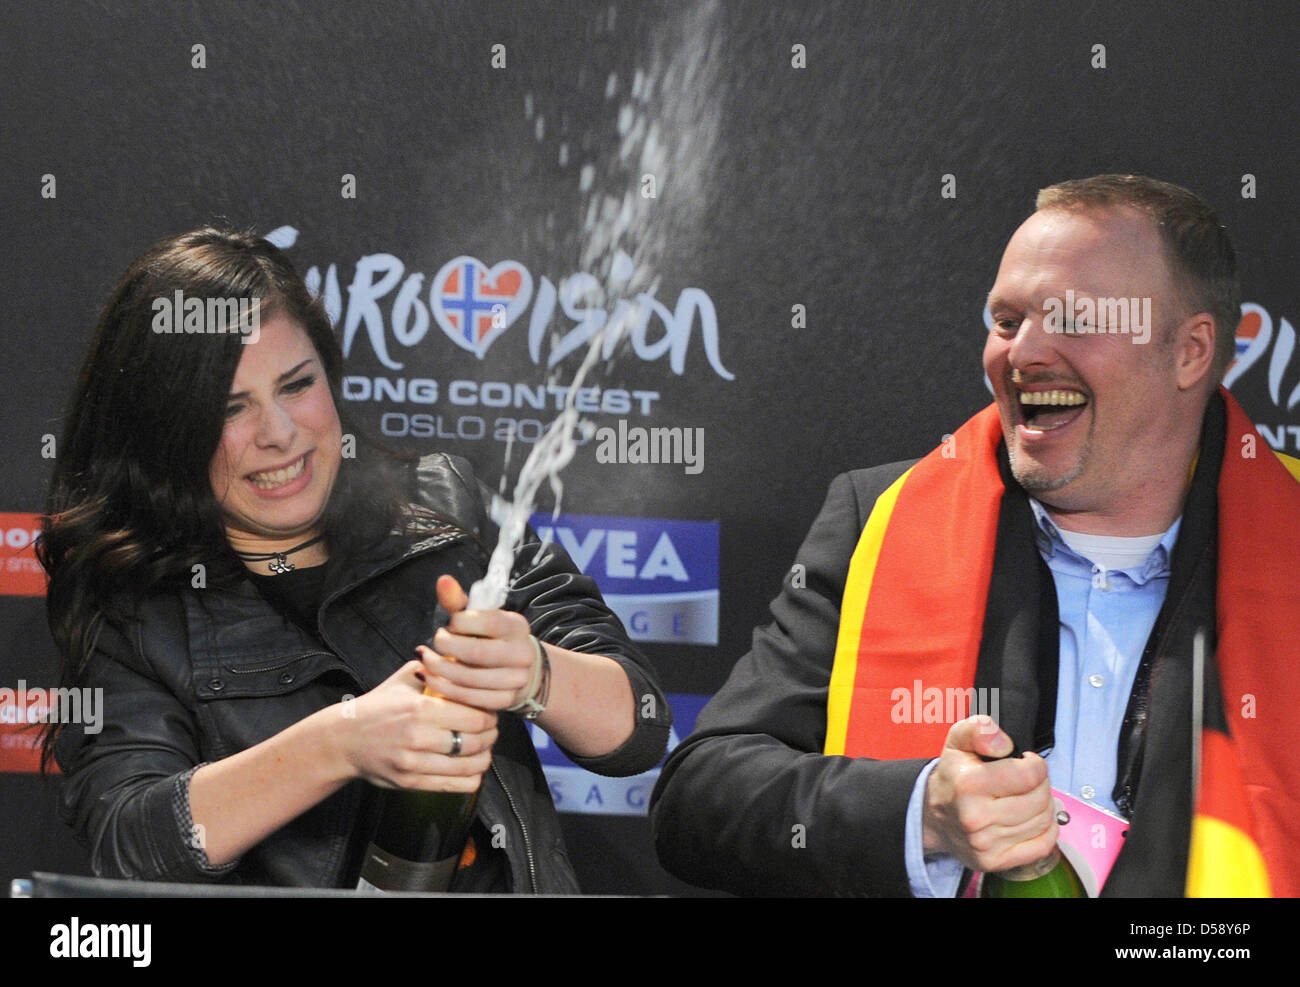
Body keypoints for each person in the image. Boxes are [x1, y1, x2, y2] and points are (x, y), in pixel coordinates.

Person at [650, 174, 1300, 897]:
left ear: (1190, 351)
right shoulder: (879, 516)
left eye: (1073, 318)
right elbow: (696, 799)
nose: (1023, 352)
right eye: (1006, 319)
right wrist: (923, 813)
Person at [39, 227, 671, 891]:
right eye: (232, 406)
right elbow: (129, 844)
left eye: (296, 384)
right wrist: (342, 742)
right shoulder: (135, 607)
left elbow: (644, 727)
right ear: (169, 427)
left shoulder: (447, 504)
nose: (279, 433)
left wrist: (534, 672)